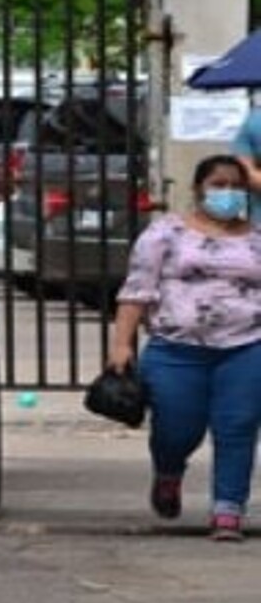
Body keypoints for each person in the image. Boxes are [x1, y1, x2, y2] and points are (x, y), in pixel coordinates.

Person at [108, 154, 261, 542]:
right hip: (176, 347)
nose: (228, 193)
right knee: (177, 426)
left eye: (236, 186)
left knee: (237, 425)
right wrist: (121, 343)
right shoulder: (165, 234)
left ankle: (228, 509)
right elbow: (136, 290)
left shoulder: (256, 238)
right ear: (198, 190)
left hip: (246, 345)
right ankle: (169, 471)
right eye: (219, 185)